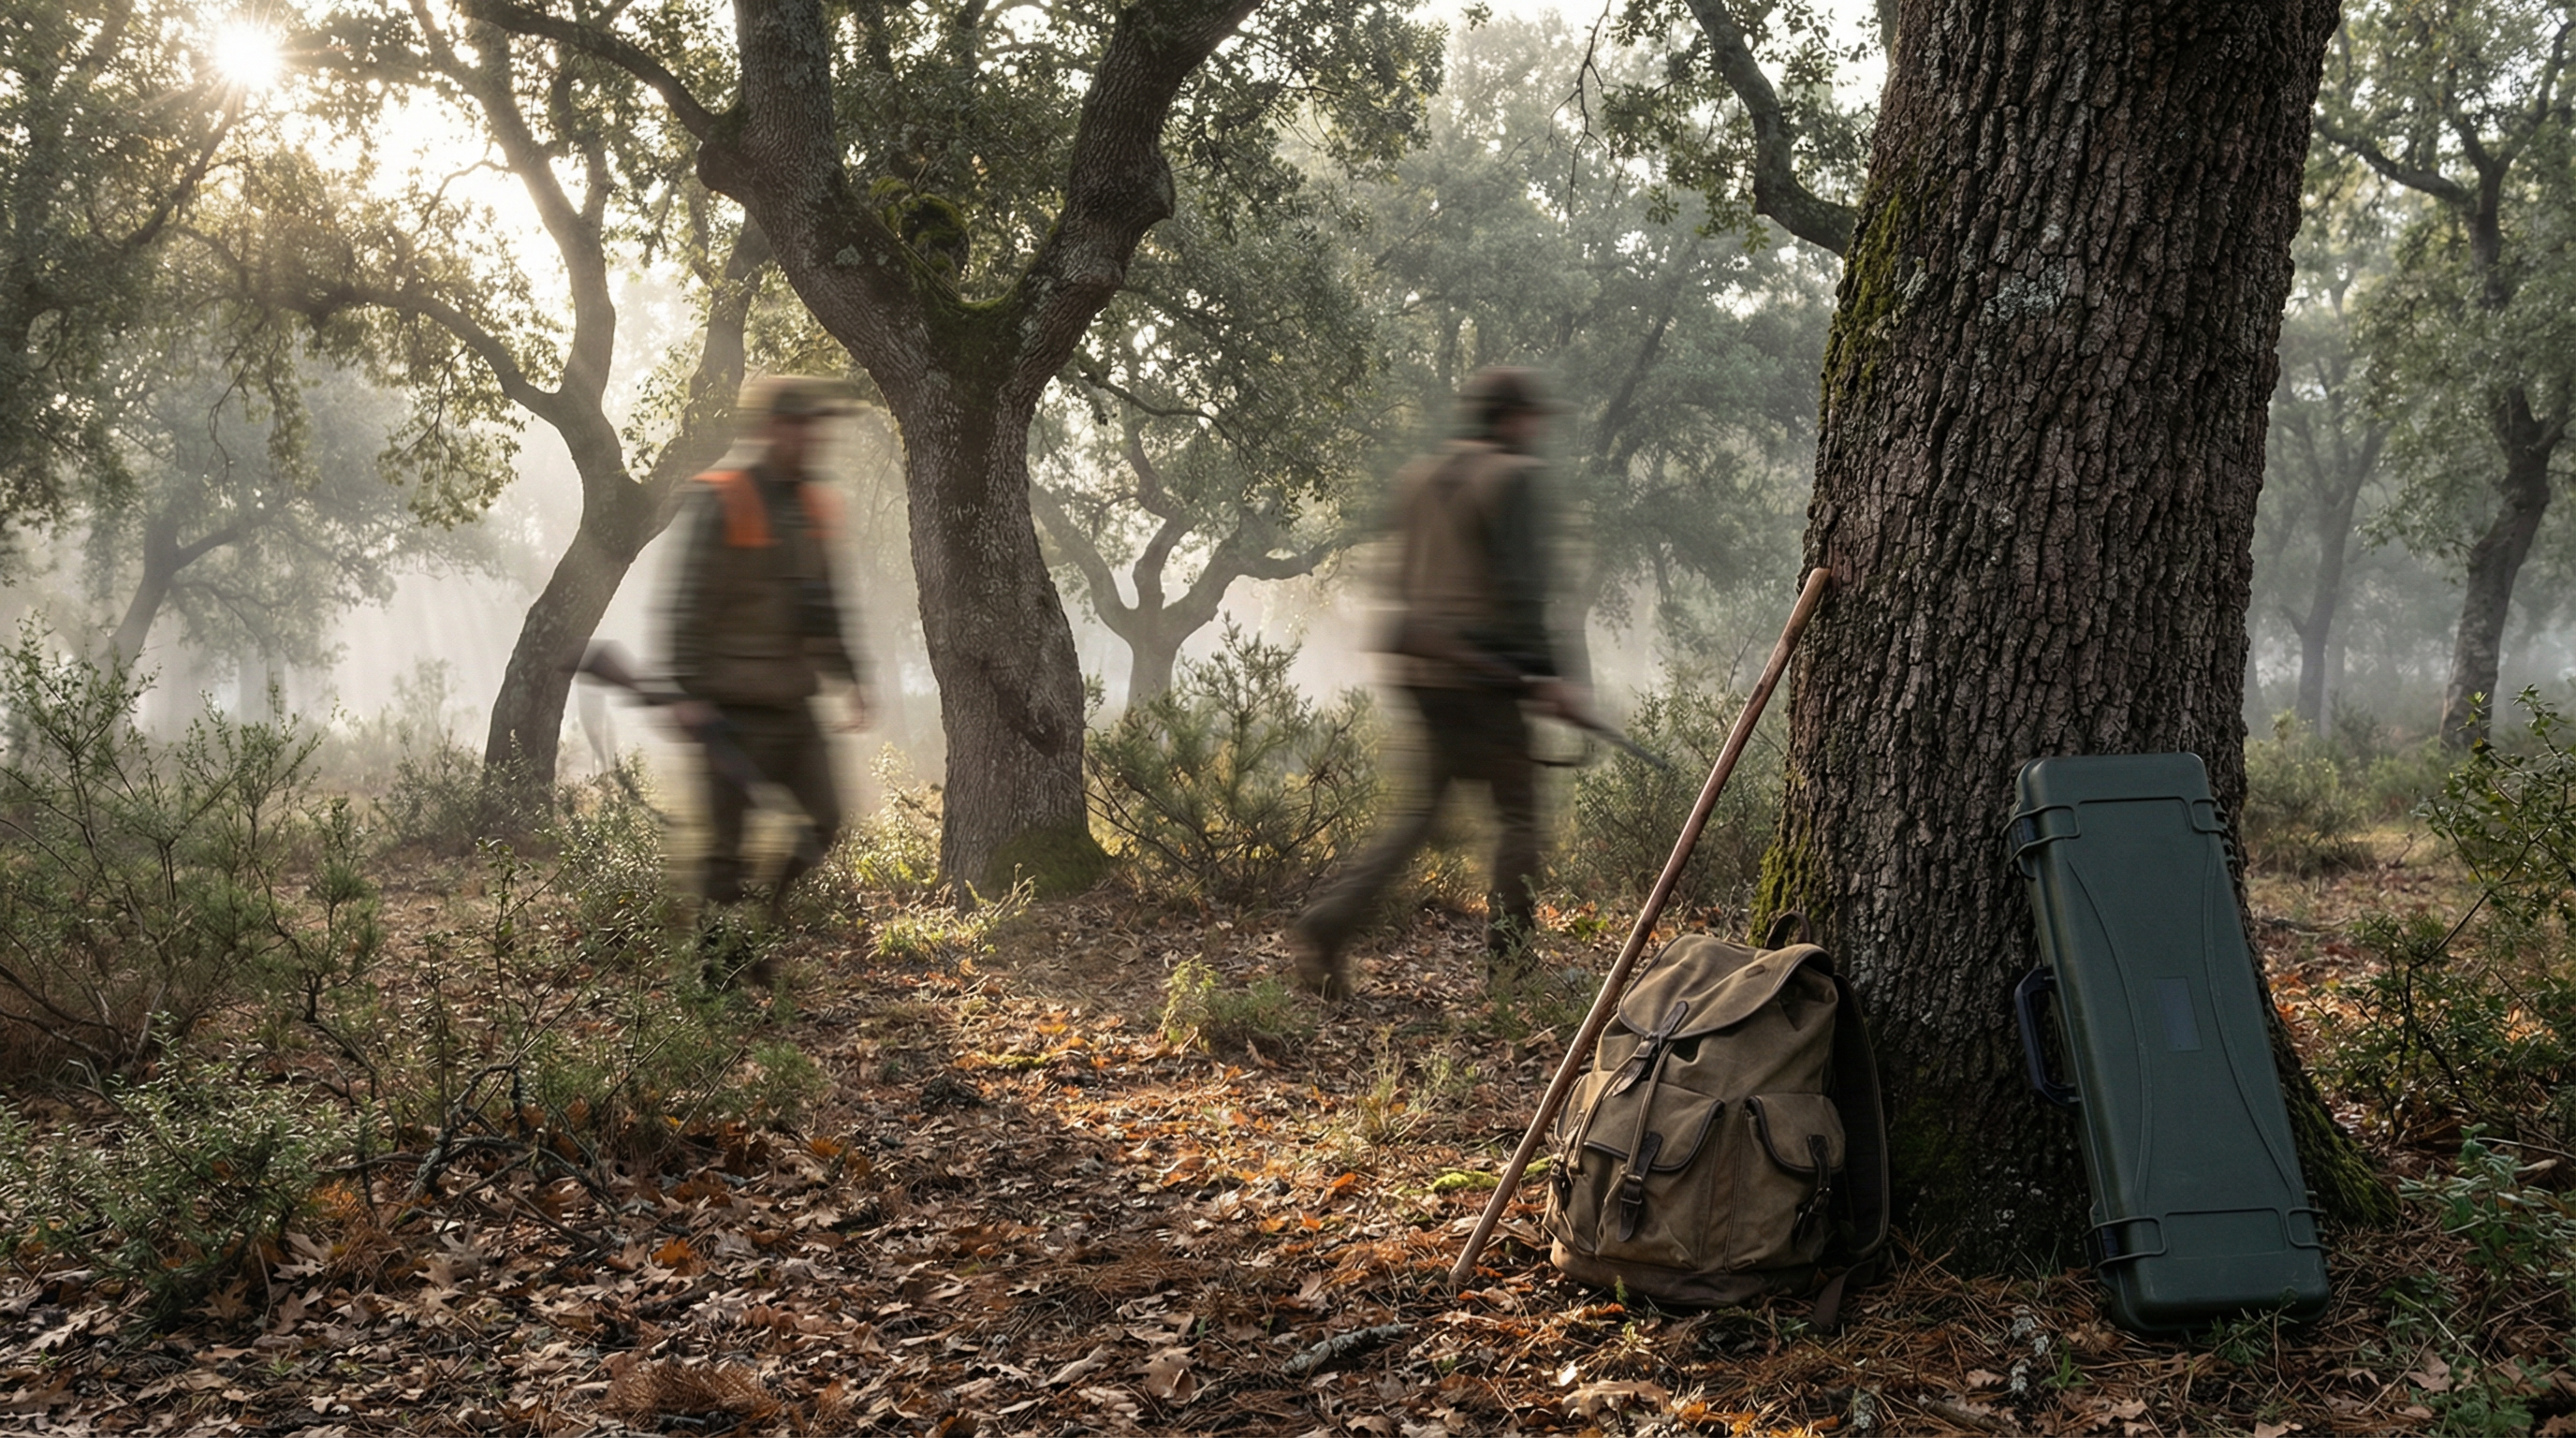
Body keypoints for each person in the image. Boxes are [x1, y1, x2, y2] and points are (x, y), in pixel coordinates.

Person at [1290, 367, 1594, 1000]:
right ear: (1510, 417)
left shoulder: (1420, 478)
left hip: (1423, 676)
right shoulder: (1514, 480)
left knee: (1415, 818)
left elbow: (1398, 582)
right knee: (1519, 821)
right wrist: (1550, 677)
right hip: (1485, 679)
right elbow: (1523, 590)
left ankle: (1326, 923)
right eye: (1532, 417)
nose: (1539, 430)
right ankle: (1509, 972)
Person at [666, 375, 871, 961]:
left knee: (824, 821)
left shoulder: (813, 506)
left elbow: (826, 604)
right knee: (725, 852)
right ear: (770, 428)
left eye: (814, 426)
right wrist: (687, 690)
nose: (809, 436)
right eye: (798, 424)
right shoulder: (725, 497)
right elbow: (689, 603)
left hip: (792, 703)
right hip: (728, 708)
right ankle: (716, 976)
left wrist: (850, 675)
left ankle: (762, 923)